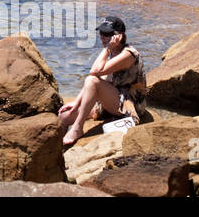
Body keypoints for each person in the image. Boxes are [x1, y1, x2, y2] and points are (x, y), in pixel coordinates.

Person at [58, 16, 146, 146]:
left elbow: (94, 73)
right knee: (64, 116)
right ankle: (58, 150)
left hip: (129, 105)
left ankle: (77, 128)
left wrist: (107, 48)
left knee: (91, 80)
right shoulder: (110, 53)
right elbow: (97, 78)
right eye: (101, 33)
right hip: (110, 101)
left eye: (106, 34)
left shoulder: (129, 54)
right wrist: (76, 103)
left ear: (119, 36)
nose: (102, 37)